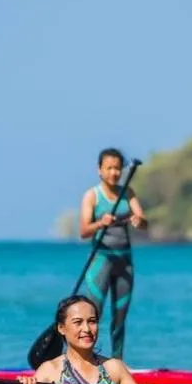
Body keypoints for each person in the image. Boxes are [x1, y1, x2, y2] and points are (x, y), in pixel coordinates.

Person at [11, 295, 160, 384]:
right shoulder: (50, 370)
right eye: (78, 322)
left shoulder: (114, 367)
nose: (87, 329)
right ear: (61, 328)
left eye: (92, 321)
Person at [77, 148, 148, 360]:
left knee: (120, 317)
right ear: (99, 170)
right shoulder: (92, 196)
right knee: (93, 316)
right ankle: (86, 360)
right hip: (101, 260)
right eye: (109, 168)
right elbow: (83, 231)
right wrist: (101, 222)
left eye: (117, 168)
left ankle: (117, 362)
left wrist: (138, 221)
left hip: (124, 262)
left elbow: (144, 222)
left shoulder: (127, 192)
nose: (114, 173)